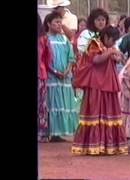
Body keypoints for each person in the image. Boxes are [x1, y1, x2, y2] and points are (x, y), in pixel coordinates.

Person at [71, 26, 128, 155]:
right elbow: (96, 60)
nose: (114, 44)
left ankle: (108, 145)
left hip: (107, 82)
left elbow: (118, 60)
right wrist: (110, 52)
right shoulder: (94, 43)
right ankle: (93, 145)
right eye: (112, 40)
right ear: (106, 37)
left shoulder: (108, 47)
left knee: (109, 112)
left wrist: (115, 55)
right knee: (95, 113)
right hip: (96, 84)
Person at [40, 11, 78, 142]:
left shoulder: (64, 39)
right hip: (51, 78)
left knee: (63, 103)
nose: (59, 24)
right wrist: (55, 71)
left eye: (60, 22)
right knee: (51, 104)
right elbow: (44, 59)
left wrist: (67, 71)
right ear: (48, 24)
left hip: (65, 78)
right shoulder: (45, 39)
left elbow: (71, 57)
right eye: (56, 22)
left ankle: (59, 132)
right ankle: (50, 131)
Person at [38, 13, 49, 142]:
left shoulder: (43, 39)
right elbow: (48, 56)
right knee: (41, 104)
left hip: (40, 74)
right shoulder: (43, 38)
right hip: (41, 74)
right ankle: (42, 133)